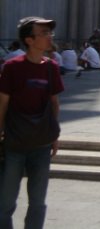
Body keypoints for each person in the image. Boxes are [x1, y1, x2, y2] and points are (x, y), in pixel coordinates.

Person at [0, 16, 64, 229]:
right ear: (29, 40)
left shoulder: (51, 67)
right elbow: (3, 104)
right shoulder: (12, 67)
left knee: (37, 202)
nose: (49, 37)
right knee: (6, 202)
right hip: (14, 144)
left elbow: (54, 104)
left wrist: (54, 135)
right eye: (44, 33)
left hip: (41, 144)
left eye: (49, 33)